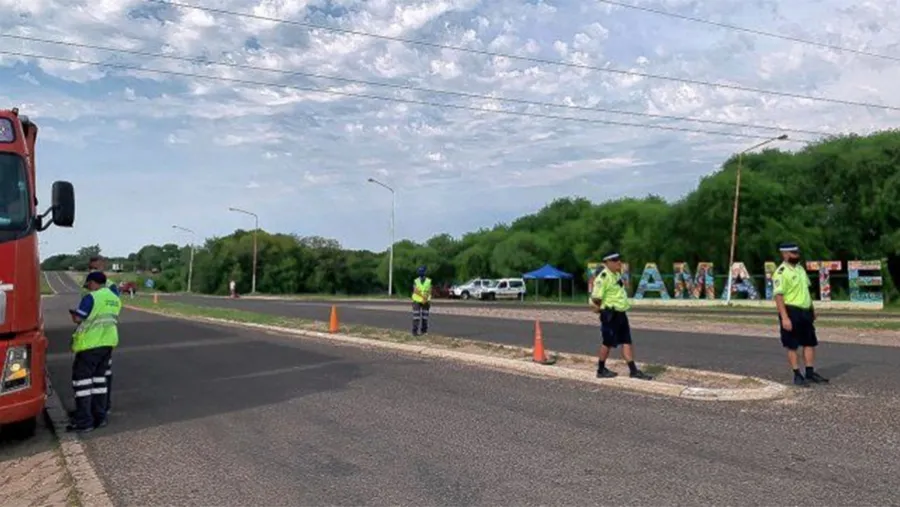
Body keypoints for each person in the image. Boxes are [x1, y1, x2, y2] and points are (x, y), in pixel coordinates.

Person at [66, 271, 122, 433]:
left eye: (88, 284)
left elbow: (79, 318)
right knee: (100, 382)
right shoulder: (114, 298)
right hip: (108, 343)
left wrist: (73, 315)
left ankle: (85, 421)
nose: (88, 287)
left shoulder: (92, 297)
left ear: (92, 283)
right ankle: (100, 416)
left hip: (90, 345)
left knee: (82, 383)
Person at [772, 242, 829, 387]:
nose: (797, 255)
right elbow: (779, 297)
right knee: (792, 345)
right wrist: (785, 317)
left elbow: (806, 291)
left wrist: (812, 308)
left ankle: (810, 373)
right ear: (785, 254)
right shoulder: (781, 272)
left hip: (805, 310)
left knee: (809, 342)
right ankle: (797, 374)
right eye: (793, 253)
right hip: (791, 311)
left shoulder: (800, 269)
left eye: (797, 253)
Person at [589, 251, 653, 380]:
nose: (618, 262)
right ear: (607, 263)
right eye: (614, 260)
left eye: (619, 259)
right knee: (607, 342)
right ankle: (601, 370)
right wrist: (601, 310)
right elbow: (596, 297)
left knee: (626, 341)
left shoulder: (616, 274)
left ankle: (633, 370)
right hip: (610, 314)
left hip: (621, 313)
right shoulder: (604, 277)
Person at [82, 255, 119, 412]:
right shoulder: (89, 284)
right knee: (94, 376)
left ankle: (102, 407)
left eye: (96, 268)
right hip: (92, 337)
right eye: (91, 268)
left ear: (103, 267)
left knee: (102, 375)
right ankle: (95, 408)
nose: (93, 270)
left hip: (102, 337)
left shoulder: (110, 286)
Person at [411, 266, 432, 336]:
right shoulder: (416, 280)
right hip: (417, 300)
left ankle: (424, 331)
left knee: (425, 317)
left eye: (422, 271)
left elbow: (429, 290)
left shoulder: (428, 281)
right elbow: (415, 290)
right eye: (420, 271)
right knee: (416, 316)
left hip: (426, 301)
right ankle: (415, 332)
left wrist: (426, 298)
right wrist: (423, 297)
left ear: (425, 272)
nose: (421, 272)